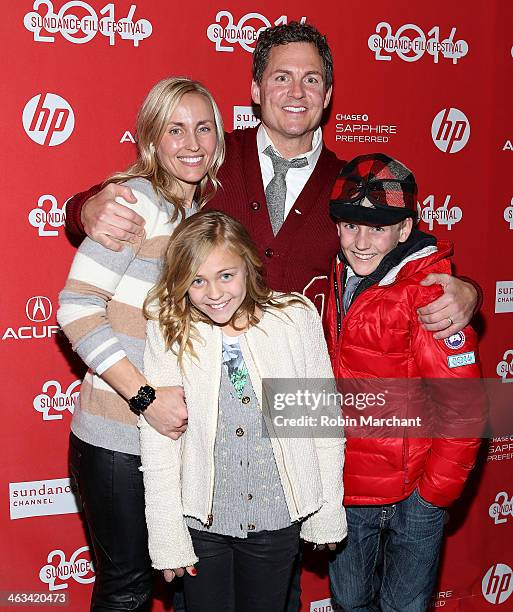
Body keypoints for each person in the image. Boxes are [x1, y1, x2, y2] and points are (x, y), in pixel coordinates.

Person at [63, 22, 478, 339]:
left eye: (311, 80)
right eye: (281, 78)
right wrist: (86, 207)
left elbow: (413, 253)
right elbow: (137, 186)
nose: (296, 92)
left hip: (300, 387)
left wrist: (470, 294)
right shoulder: (208, 152)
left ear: (328, 94)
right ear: (257, 91)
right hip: (204, 383)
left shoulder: (354, 182)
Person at [56, 77, 225, 611]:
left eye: (203, 128)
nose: (192, 142)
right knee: (128, 587)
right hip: (117, 438)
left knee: (164, 580)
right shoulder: (137, 203)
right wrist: (145, 398)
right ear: (152, 139)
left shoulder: (194, 217)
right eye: (176, 129)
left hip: (164, 442)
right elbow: (76, 307)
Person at [139, 209, 347, 612]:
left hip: (276, 514)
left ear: (249, 267)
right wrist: (166, 532)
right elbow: (160, 440)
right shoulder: (170, 327)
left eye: (225, 275)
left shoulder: (292, 319)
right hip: (203, 520)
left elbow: (320, 423)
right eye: (197, 280)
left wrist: (327, 509)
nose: (214, 293)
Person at [324, 153, 485, 611]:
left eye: (377, 228)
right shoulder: (337, 277)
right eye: (351, 225)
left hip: (411, 494)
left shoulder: (430, 292)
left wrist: (433, 494)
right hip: (348, 487)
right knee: (350, 602)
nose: (360, 241)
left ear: (404, 228)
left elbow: (464, 405)